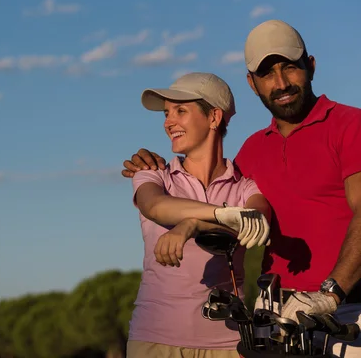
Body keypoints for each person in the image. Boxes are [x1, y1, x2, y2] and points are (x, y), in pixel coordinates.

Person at [121, 19, 361, 357]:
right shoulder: (251, 152)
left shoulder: (351, 124)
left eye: (290, 67)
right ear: (252, 84)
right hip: (274, 317)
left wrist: (332, 293)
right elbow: (223, 209)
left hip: (344, 309)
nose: (280, 83)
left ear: (311, 66)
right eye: (266, 74)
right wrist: (148, 165)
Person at [126, 71, 272, 358]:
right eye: (167, 113)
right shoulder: (154, 175)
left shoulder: (245, 187)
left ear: (214, 118)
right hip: (154, 341)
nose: (169, 122)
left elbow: (255, 223)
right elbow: (154, 206)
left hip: (228, 345)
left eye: (181, 110)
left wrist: (192, 225)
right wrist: (221, 215)